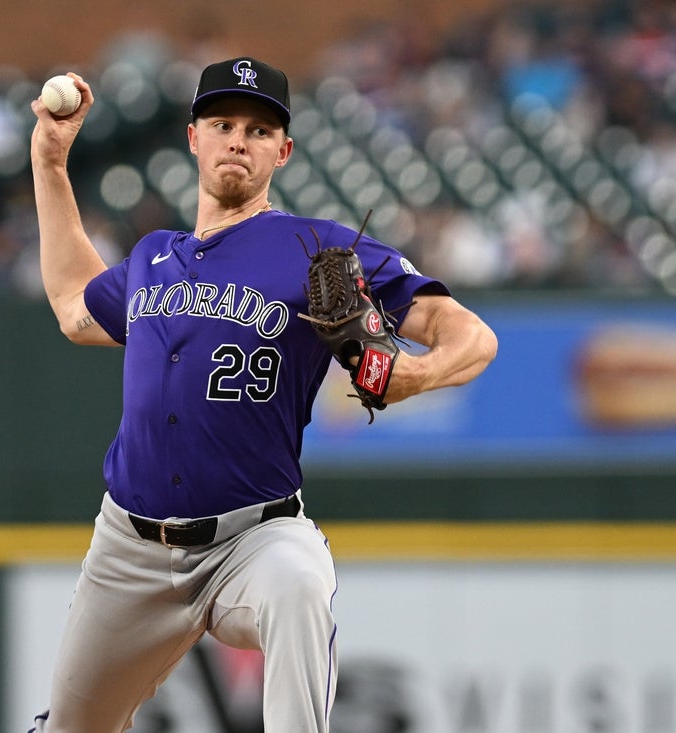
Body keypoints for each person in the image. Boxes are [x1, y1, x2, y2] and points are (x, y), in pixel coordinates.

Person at [27, 57, 498, 732]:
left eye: (258, 129)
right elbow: (76, 310)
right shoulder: (153, 256)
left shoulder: (316, 248)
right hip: (130, 550)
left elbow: (470, 334)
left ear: (284, 151)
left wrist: (418, 374)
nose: (238, 141)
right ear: (194, 139)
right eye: (222, 124)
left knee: (300, 583)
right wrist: (49, 162)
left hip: (253, 539)